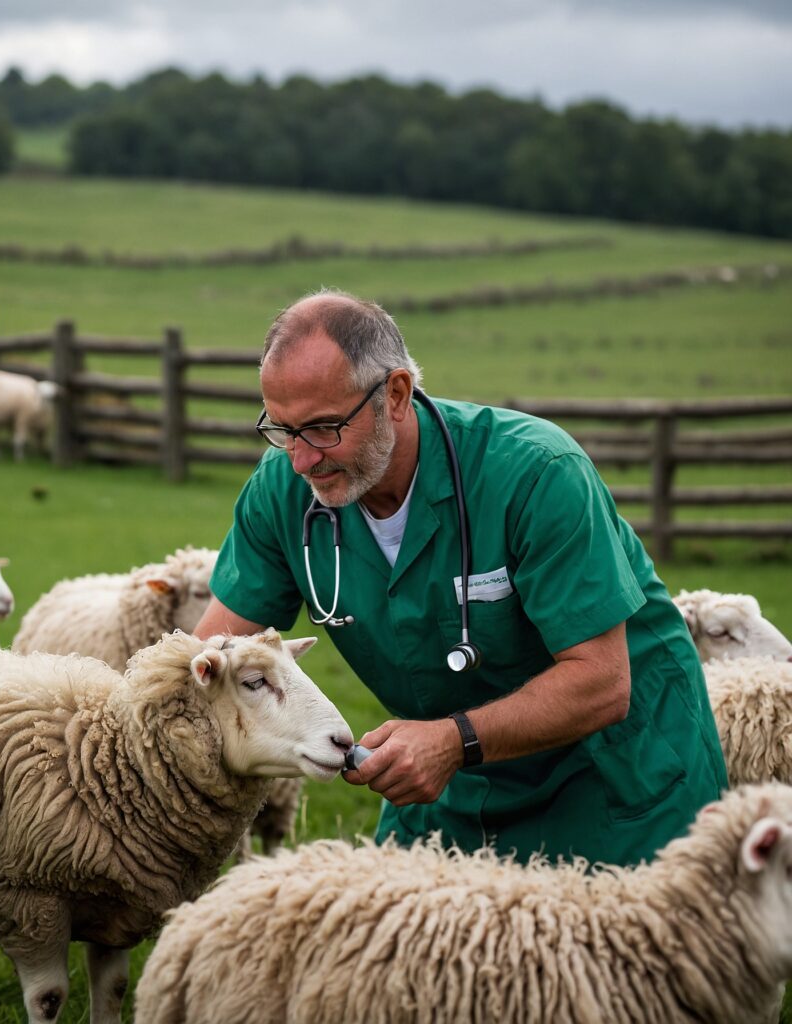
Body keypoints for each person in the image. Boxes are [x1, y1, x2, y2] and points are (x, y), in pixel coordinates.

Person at [194, 288, 727, 867]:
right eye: (283, 429)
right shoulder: (283, 493)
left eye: (324, 428)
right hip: (450, 789)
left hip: (614, 782)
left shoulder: (538, 474)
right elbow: (206, 657)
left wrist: (453, 741)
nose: (301, 459)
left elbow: (602, 682)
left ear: (395, 394)